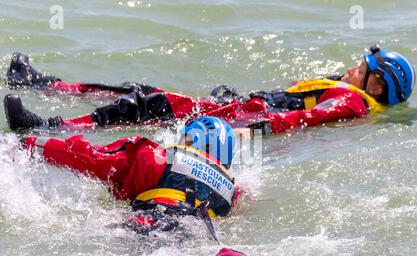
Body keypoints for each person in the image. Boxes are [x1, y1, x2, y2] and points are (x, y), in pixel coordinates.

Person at [4, 45, 415, 135]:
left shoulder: (351, 100)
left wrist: (255, 130)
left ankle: (47, 127)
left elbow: (304, 117)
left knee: (144, 104)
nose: (349, 68)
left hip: (239, 120)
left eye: (360, 68)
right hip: (236, 108)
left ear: (375, 83)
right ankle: (45, 85)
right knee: (142, 96)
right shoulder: (350, 93)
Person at [19, 116, 239, 234]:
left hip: (149, 221)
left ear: (190, 139)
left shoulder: (156, 156)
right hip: (198, 235)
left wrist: (27, 144)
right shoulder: (231, 190)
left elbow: (88, 158)